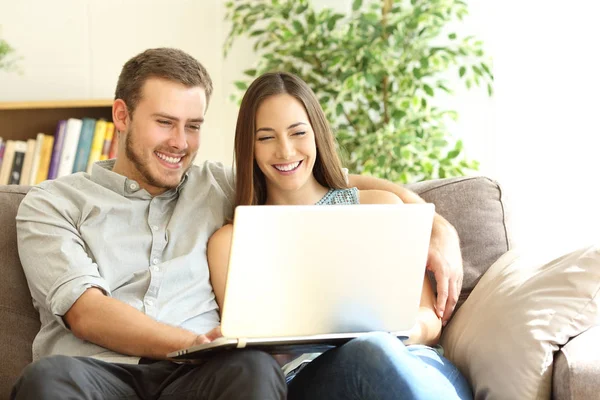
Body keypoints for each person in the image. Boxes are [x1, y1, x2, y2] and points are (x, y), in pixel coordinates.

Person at [11, 48, 463, 400]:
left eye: (193, 126)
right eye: (165, 123)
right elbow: (86, 313)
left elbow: (314, 179)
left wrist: (437, 228)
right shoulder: (51, 203)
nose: (180, 143)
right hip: (98, 373)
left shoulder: (216, 184)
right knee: (48, 379)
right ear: (122, 116)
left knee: (253, 370)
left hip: (199, 380)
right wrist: (198, 342)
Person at [206, 71, 472, 400]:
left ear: (317, 134)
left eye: (298, 132)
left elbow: (428, 319)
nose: (285, 151)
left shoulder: (380, 207)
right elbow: (253, 351)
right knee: (365, 354)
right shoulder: (230, 242)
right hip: (314, 378)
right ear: (249, 147)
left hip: (416, 364)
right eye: (266, 137)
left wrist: (389, 337)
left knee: (373, 350)